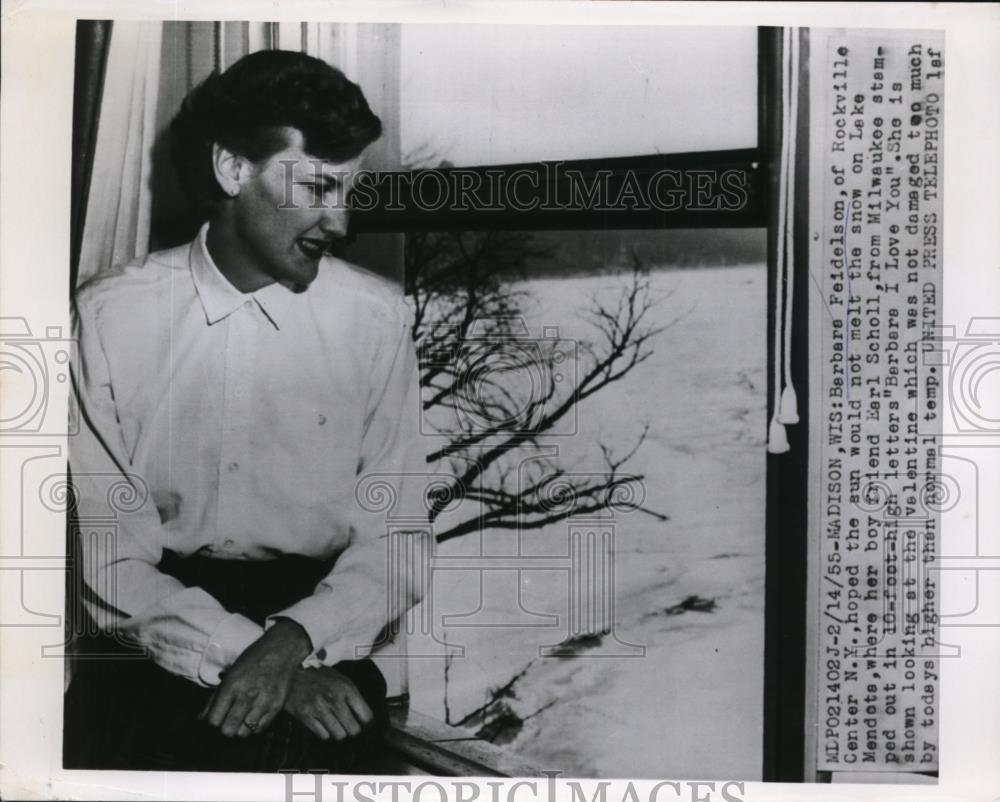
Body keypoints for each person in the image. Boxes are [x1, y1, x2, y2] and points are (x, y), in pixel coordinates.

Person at [64, 49, 427, 772]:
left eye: (349, 189)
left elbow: (397, 539)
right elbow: (108, 558)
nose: (342, 220)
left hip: (321, 631)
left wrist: (291, 644)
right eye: (320, 186)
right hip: (147, 642)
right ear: (233, 170)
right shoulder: (109, 315)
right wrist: (250, 660)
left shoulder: (376, 318)